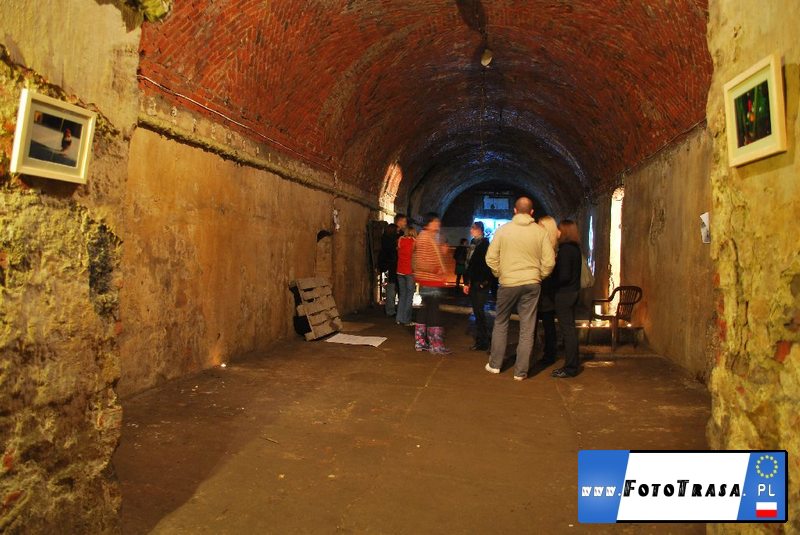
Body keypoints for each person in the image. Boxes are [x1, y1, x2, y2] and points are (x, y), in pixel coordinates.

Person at [484, 197, 555, 380]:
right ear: (532, 212)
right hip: (532, 283)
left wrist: (500, 273)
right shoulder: (540, 232)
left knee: (501, 322)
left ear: (514, 211)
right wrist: (539, 276)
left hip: (508, 283)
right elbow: (549, 261)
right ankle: (521, 372)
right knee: (527, 327)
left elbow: (490, 258)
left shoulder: (503, 230)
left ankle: (495, 365)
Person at [412, 213, 452, 353]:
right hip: (430, 279)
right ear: (428, 223)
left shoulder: (429, 237)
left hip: (430, 279)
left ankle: (421, 342)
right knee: (433, 311)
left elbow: (430, 257)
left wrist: (442, 252)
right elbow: (420, 262)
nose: (438, 224)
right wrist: (436, 269)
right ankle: (435, 344)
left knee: (425, 309)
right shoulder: (424, 238)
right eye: (435, 222)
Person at [551, 220, 583, 378]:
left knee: (568, 331)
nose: (556, 232)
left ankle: (570, 367)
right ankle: (572, 364)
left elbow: (564, 276)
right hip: (573, 292)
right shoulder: (575, 248)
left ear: (564, 232)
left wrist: (551, 281)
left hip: (564, 294)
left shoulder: (565, 250)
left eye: (558, 230)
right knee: (570, 329)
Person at [463, 222, 493, 351]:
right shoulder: (473, 244)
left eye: (473, 228)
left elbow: (487, 264)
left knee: (479, 311)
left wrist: (485, 281)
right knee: (477, 311)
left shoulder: (485, 245)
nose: (471, 230)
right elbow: (469, 265)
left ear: (480, 230)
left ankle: (483, 340)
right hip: (474, 281)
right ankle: (482, 338)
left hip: (481, 282)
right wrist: (466, 282)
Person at [537, 216, 560, 365]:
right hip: (545, 291)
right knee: (547, 323)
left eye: (540, 226)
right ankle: (547, 352)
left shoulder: (552, 249)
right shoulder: (550, 247)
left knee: (547, 324)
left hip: (546, 292)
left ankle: (549, 354)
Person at [395, 226, 418, 326]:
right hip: (409, 271)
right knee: (409, 296)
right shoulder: (414, 242)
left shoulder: (400, 241)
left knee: (402, 295)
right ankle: (406, 320)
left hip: (400, 271)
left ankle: (399, 318)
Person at [378, 223, 399, 317]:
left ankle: (390, 309)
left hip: (388, 266)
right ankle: (390, 310)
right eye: (397, 231)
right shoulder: (391, 242)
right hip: (392, 266)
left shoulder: (385, 239)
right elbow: (392, 253)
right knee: (391, 288)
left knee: (391, 288)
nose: (398, 233)